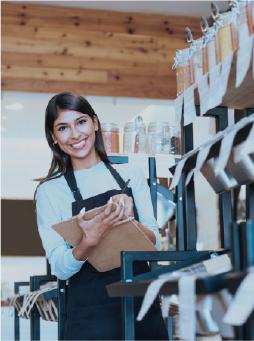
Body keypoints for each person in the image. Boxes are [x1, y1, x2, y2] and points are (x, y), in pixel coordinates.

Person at [35, 92, 168, 340]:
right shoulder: (50, 192)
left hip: (141, 308)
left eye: (81, 122)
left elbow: (155, 244)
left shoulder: (130, 174)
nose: (75, 135)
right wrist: (88, 241)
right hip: (90, 316)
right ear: (54, 138)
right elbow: (61, 269)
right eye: (63, 128)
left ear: (95, 123)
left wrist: (130, 222)